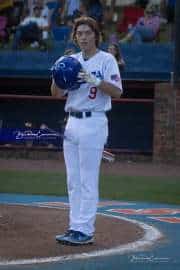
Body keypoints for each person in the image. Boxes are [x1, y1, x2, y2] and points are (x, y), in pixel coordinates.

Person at [51, 16, 123, 246]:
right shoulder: (70, 60)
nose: (83, 37)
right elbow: (56, 94)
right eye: (79, 33)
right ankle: (75, 226)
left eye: (87, 33)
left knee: (88, 180)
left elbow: (117, 92)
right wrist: (57, 73)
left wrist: (96, 81)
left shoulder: (106, 59)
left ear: (96, 35)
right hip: (72, 121)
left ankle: (85, 230)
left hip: (94, 121)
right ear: (75, 36)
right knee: (73, 180)